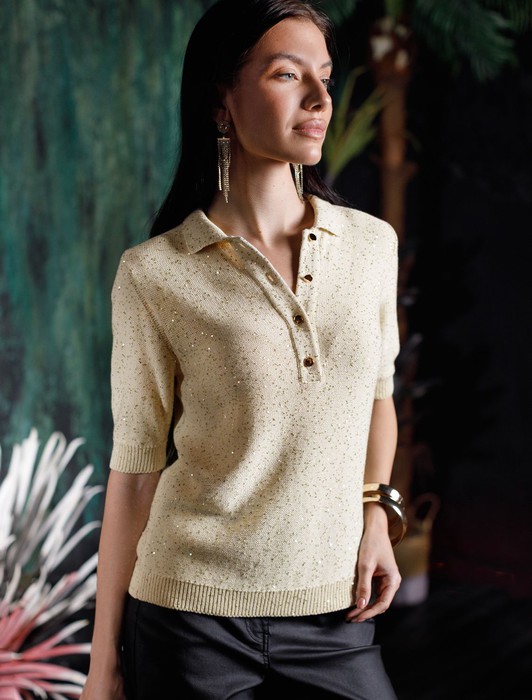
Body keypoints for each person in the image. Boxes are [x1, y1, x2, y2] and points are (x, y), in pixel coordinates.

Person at [81, 0, 406, 698]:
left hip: (335, 612)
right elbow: (134, 474)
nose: (320, 98)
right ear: (220, 101)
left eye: (325, 75)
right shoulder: (155, 273)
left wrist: (377, 515)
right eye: (288, 74)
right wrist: (103, 667)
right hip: (189, 620)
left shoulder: (372, 247)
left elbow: (379, 395)